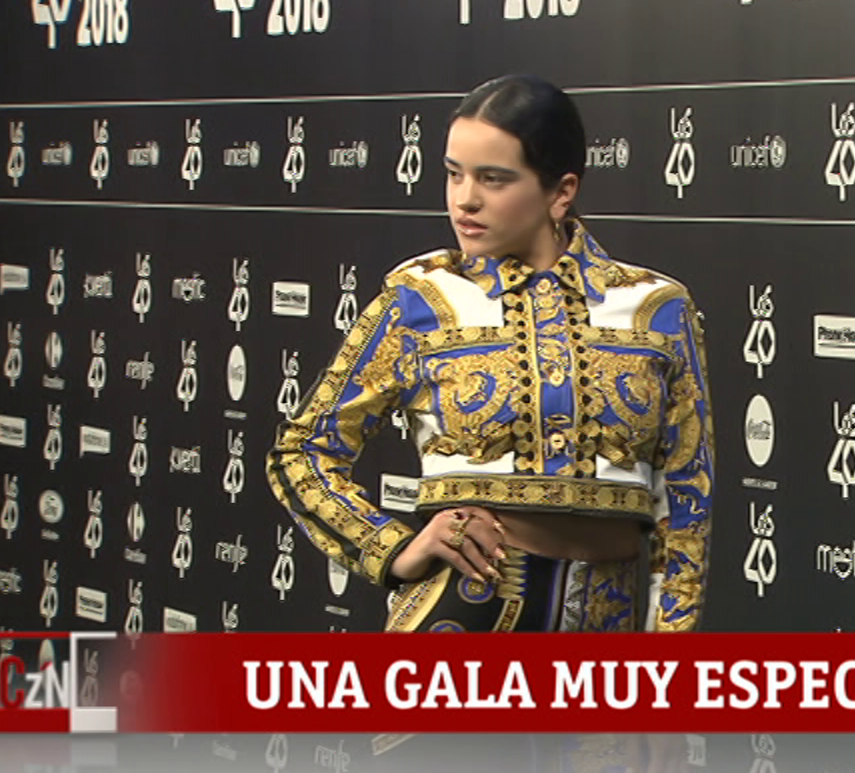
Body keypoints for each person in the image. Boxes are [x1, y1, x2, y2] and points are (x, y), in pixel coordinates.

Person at [265, 73, 714, 634]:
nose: (465, 199)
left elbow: (688, 505)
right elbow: (301, 451)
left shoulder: (657, 308)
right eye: (454, 174)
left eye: (493, 178)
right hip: (458, 618)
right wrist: (395, 550)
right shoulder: (420, 299)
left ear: (561, 191)